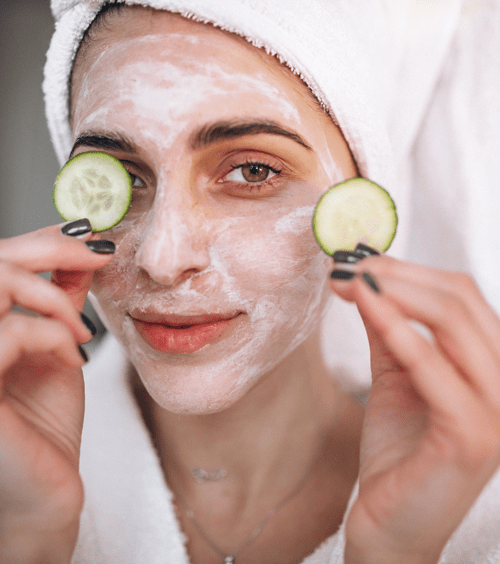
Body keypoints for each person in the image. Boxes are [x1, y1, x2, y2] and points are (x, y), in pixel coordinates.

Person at [1, 1, 500, 563]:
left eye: (252, 171)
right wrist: (29, 536)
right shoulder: (11, 475)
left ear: (359, 200)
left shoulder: (483, 514)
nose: (163, 260)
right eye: (122, 177)